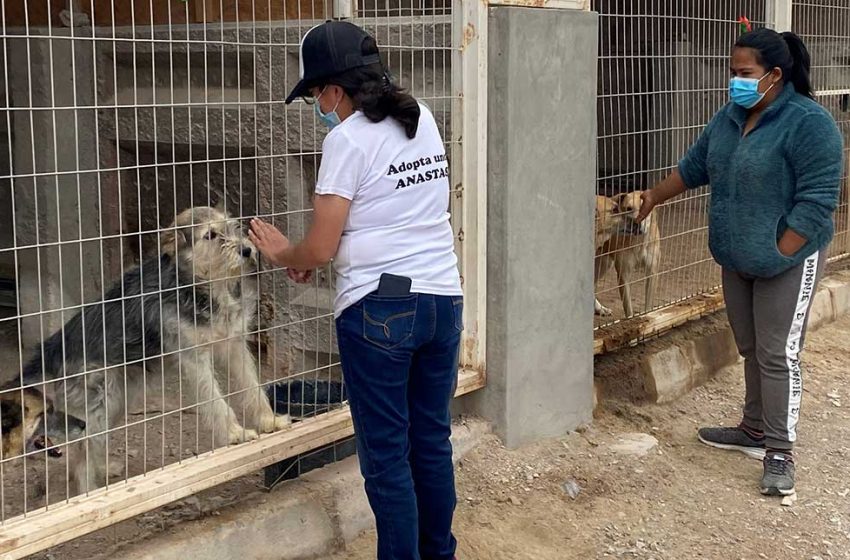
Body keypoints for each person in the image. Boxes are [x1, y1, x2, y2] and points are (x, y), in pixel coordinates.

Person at [248, 20, 462, 560]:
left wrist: (282, 253)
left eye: (316, 94)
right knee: (431, 442)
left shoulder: (345, 140)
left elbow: (319, 246)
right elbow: (389, 219)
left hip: (381, 313)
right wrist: (317, 259)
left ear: (336, 90)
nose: (316, 105)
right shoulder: (423, 120)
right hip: (443, 301)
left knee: (388, 458)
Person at [637, 28, 844, 496]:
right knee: (750, 346)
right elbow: (694, 167)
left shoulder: (809, 123)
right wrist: (654, 195)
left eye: (744, 74)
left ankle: (780, 451)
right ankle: (752, 430)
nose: (735, 82)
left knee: (778, 354)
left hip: (786, 261)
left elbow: (817, 201)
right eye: (733, 73)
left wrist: (781, 251)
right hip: (737, 258)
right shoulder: (730, 117)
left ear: (774, 75)